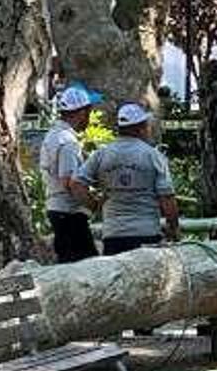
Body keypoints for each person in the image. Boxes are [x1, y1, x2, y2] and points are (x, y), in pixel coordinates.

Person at [73, 103, 180, 256]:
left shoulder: (102, 154)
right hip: (147, 235)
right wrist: (173, 228)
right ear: (141, 127)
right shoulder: (153, 156)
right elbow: (167, 198)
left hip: (113, 236)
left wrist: (95, 206)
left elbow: (77, 185)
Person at [39, 87, 99, 264]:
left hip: (58, 210)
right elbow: (71, 183)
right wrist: (94, 204)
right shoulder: (68, 142)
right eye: (89, 111)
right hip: (69, 214)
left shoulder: (53, 136)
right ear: (82, 112)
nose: (90, 117)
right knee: (87, 268)